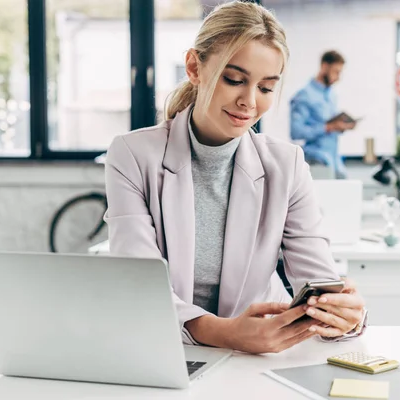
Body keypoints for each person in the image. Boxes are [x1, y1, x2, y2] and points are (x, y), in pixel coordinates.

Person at [104, 1, 365, 355]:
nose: (249, 102)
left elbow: (317, 280)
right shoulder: (132, 155)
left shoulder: (287, 164)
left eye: (266, 88)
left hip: (260, 353)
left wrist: (342, 318)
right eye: (234, 80)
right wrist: (227, 333)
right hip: (168, 348)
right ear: (194, 67)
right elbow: (138, 285)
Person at [290, 50, 356, 179]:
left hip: (334, 159)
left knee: (347, 186)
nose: (338, 77)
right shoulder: (304, 96)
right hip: (316, 159)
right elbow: (296, 132)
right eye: (336, 72)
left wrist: (341, 126)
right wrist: (328, 127)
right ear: (324, 67)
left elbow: (330, 124)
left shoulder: (332, 95)